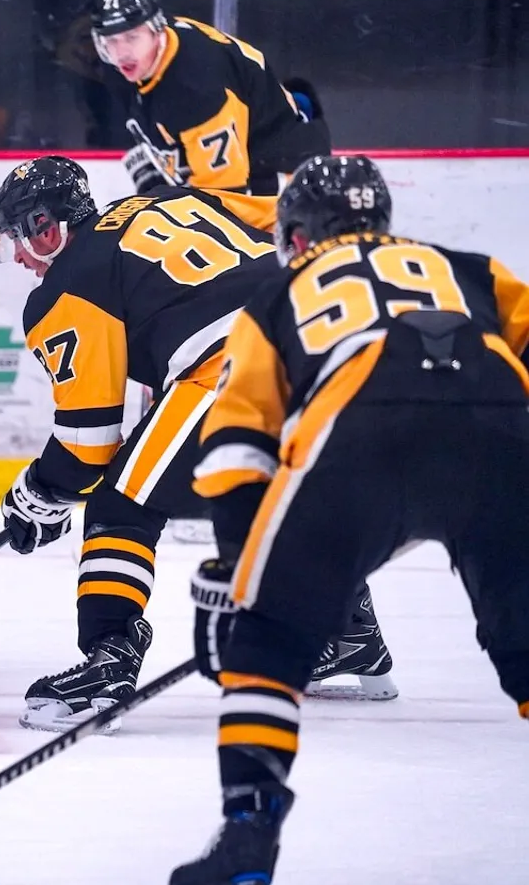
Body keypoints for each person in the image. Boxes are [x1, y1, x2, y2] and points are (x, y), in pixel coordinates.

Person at [172, 155, 529, 882]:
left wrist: (242, 576)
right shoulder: (472, 270)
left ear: (298, 234)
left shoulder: (277, 294)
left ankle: (248, 838)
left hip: (360, 427)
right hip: (503, 425)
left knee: (268, 648)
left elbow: (237, 444)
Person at [0, 156, 395, 734]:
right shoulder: (174, 199)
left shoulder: (67, 284)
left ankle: (109, 658)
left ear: (46, 230)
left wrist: (36, 493)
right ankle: (349, 633)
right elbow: (290, 224)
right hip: (337, 347)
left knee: (121, 502)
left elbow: (88, 446)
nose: (20, 259)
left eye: (17, 241)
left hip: (239, 363)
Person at [89, 0, 329, 205]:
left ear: (156, 29)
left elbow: (224, 197)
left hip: (283, 179)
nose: (122, 53)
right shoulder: (136, 63)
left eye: (132, 37)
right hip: (239, 165)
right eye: (112, 40)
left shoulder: (198, 87)